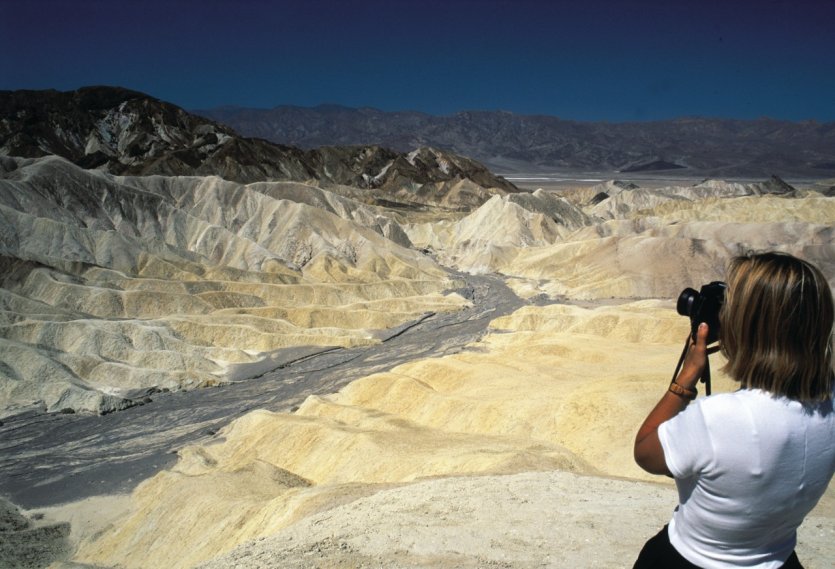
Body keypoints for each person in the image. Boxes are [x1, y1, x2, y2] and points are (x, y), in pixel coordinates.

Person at [632, 252, 835, 569]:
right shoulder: (830, 405)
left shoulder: (720, 418)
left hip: (690, 561)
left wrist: (686, 378)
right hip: (778, 560)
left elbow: (645, 452)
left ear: (747, 327)